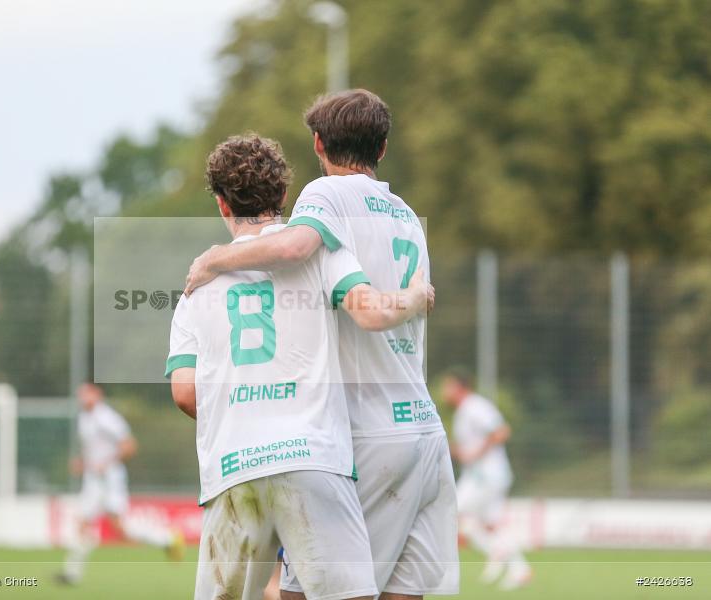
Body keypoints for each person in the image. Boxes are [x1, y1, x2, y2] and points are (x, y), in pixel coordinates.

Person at [185, 90, 459, 599]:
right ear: (382, 149)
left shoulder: (326, 198)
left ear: (317, 143)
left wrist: (216, 259)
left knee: (313, 592)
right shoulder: (406, 216)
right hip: (424, 432)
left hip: (370, 432)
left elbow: (292, 247)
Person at [58, 383, 184, 585]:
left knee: (120, 529)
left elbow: (129, 445)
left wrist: (106, 464)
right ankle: (72, 574)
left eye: (86, 393)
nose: (82, 397)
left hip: (111, 478)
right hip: (93, 480)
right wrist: (83, 463)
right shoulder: (84, 418)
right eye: (80, 394)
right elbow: (94, 450)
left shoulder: (107, 418)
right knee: (82, 521)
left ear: (97, 394)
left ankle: (168, 539)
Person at [440, 369, 532, 590]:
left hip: (485, 476)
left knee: (451, 512)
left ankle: (495, 553)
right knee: (490, 525)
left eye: (448, 386)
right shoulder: (464, 411)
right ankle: (520, 570)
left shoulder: (475, 407)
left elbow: (501, 432)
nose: (444, 391)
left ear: (460, 387)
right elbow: (468, 447)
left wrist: (476, 454)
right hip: (483, 475)